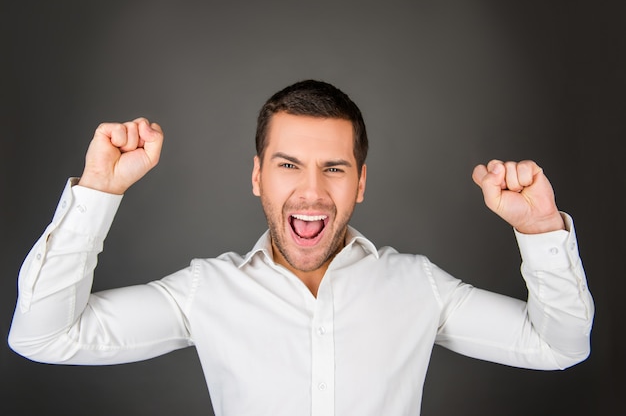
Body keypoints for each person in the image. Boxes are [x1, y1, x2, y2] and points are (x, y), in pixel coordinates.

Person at [8, 80, 594, 416]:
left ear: (360, 183)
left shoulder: (419, 286)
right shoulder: (205, 291)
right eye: (289, 165)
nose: (311, 191)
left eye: (334, 168)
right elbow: (43, 336)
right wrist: (97, 193)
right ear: (258, 175)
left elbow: (557, 346)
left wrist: (541, 229)